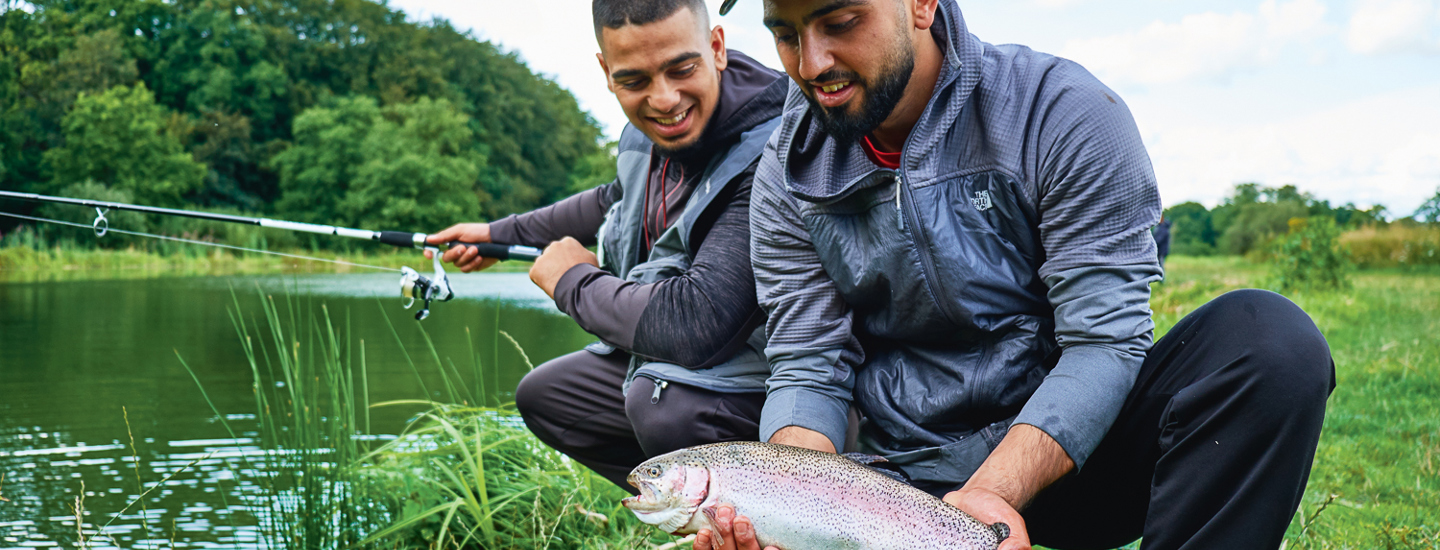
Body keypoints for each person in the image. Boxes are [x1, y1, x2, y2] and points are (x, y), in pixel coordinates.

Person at [698, 0, 1336, 549]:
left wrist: (992, 494)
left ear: (921, 4)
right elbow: (809, 362)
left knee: (1270, 343)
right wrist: (790, 499)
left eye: (840, 20)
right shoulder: (785, 172)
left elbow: (1103, 341)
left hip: (1075, 454)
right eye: (785, 33)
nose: (811, 64)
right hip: (902, 487)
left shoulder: (1063, 111)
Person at [425, 0, 788, 491]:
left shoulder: (775, 146)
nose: (663, 99)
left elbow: (697, 323)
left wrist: (572, 282)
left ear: (717, 47)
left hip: (786, 380)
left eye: (682, 69)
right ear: (606, 70)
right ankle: (693, 514)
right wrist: (499, 234)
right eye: (635, 81)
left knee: (663, 405)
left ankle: (769, 518)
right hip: (708, 366)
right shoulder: (650, 137)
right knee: (549, 396)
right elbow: (612, 198)